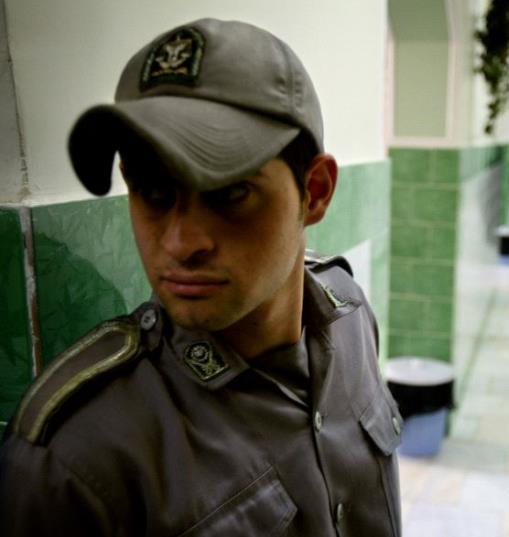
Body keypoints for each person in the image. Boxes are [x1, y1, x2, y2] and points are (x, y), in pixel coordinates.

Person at [0, 18, 403, 536]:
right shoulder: (74, 460)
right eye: (152, 191)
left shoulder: (348, 313)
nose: (180, 243)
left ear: (315, 192)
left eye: (230, 192)